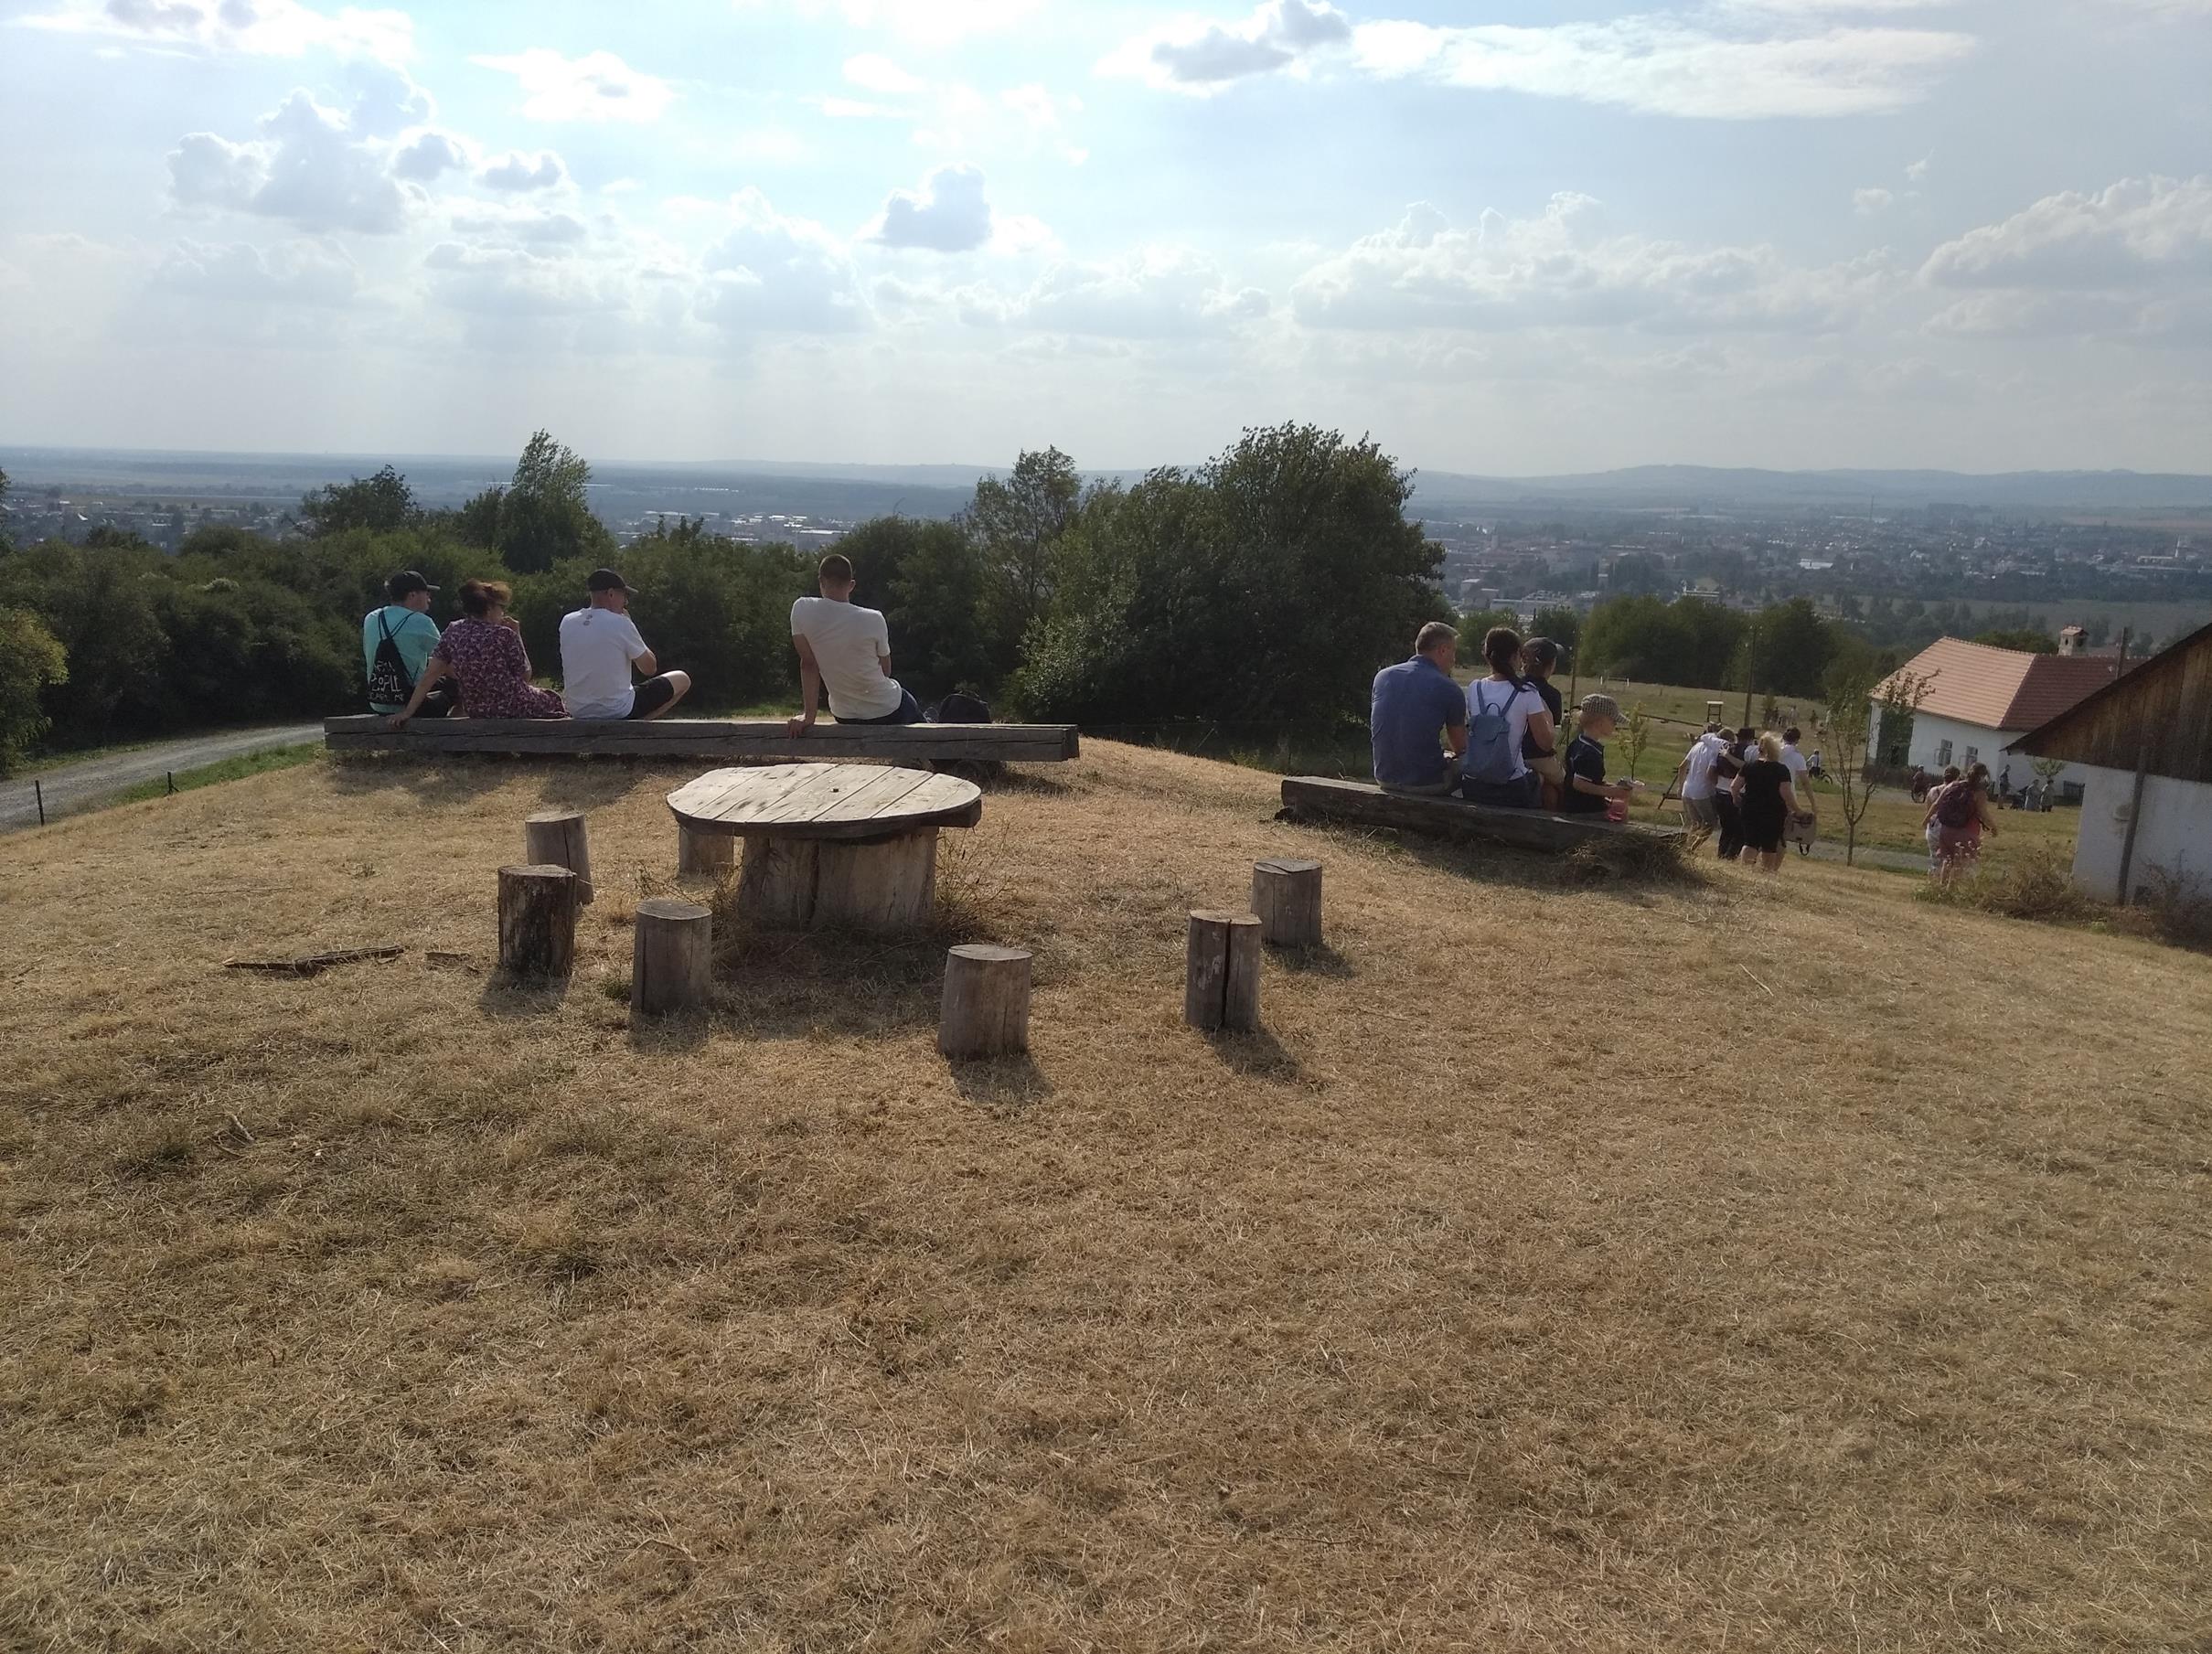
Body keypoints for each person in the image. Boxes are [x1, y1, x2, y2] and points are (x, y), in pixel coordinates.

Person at [390, 578, 566, 724]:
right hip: (510, 705)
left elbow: (430, 675)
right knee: (553, 700)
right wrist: (517, 634)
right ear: (489, 609)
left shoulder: (453, 631)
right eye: (500, 608)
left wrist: (408, 712)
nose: (502, 613)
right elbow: (524, 675)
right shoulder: (504, 634)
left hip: (476, 707)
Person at [787, 553, 919, 732]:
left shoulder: (802, 609)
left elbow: (808, 665)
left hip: (844, 714)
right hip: (888, 710)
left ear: (821, 581)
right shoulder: (874, 618)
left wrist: (808, 715)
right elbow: (886, 671)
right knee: (910, 704)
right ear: (851, 585)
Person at [559, 568, 691, 721]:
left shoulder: (567, 622)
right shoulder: (621, 623)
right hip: (617, 711)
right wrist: (630, 624)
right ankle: (637, 727)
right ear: (611, 594)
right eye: (624, 595)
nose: (626, 602)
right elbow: (649, 668)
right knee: (682, 679)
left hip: (577, 711)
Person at [1458, 627, 1552, 808]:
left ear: (1487, 656)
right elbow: (1545, 743)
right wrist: (1545, 713)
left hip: (1474, 783)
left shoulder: (1474, 688)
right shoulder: (1527, 693)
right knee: (1539, 781)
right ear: (1516, 656)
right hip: (1510, 786)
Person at [1370, 621, 1469, 795]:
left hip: (1384, 777)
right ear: (1443, 650)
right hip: (1425, 782)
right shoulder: (1449, 688)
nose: (1454, 659)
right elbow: (1461, 747)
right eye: (1453, 651)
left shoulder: (1383, 677)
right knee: (1469, 766)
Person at [362, 571, 454, 718]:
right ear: (413, 595)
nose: (429, 599)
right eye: (426, 594)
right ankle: (453, 735)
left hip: (379, 702)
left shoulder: (372, 618)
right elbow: (451, 666)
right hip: (410, 704)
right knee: (461, 684)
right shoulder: (421, 622)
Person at [1730, 732, 1804, 873]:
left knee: (1750, 842)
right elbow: (1786, 793)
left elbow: (1734, 786)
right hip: (1773, 812)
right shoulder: (1781, 770)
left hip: (1750, 808)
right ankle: (1767, 874)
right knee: (1769, 846)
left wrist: (1736, 798)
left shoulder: (1749, 766)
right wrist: (1797, 810)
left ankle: (1745, 872)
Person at [1558, 693, 1636, 815]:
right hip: (1585, 810)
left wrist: (1611, 787)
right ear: (1600, 722)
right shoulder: (1589, 752)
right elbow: (1579, 784)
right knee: (1621, 812)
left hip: (1573, 805)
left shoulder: (1578, 743)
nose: (1615, 724)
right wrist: (1612, 792)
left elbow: (1587, 778)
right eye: (1613, 721)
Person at [1930, 760, 1999, 884]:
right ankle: (1950, 891)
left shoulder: (1953, 786)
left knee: (1947, 861)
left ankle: (1941, 889)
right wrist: (1994, 827)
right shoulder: (1979, 794)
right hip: (1966, 832)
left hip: (1946, 830)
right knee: (1959, 864)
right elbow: (1983, 814)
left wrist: (1926, 821)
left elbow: (1936, 804)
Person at [1520, 636, 1565, 807]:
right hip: (1539, 755)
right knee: (1565, 786)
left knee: (1547, 788)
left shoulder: (1514, 686)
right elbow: (1552, 731)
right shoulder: (1552, 695)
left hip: (1517, 752)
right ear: (1552, 664)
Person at [1669, 723, 1728, 845]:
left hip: (1687, 788)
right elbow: (1709, 773)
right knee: (1710, 823)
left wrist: (1680, 787)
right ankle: (1692, 848)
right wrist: (1718, 784)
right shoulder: (1714, 750)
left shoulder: (1697, 746)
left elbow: (1682, 767)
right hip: (1702, 792)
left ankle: (1686, 846)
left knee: (1695, 823)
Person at [1711, 726, 1754, 859]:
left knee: (1726, 828)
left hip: (1720, 791)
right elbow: (1747, 768)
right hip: (1736, 793)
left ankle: (1721, 854)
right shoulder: (1748, 751)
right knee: (1739, 830)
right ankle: (1730, 856)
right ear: (1751, 739)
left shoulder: (1726, 748)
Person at [1779, 725, 1817, 856]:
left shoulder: (1774, 751)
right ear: (1797, 741)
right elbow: (1805, 782)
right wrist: (1813, 802)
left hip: (1766, 793)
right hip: (1787, 796)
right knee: (1782, 834)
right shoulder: (1797, 757)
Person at [1920, 763, 1963, 872]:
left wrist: (1925, 822)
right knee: (1948, 860)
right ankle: (1942, 884)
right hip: (1947, 828)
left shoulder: (1933, 791)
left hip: (1933, 827)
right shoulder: (1956, 792)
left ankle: (1932, 881)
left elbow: (1929, 809)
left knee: (1935, 861)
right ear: (1957, 777)